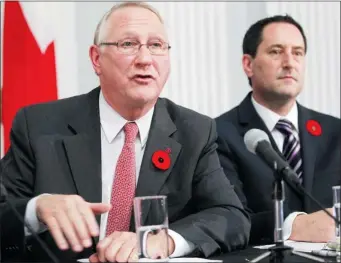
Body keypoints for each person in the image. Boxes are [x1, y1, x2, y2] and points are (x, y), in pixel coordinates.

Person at [0, 2, 250, 262]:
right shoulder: (40, 125)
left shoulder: (195, 132)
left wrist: (161, 240)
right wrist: (36, 209)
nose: (145, 59)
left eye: (156, 45)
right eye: (128, 44)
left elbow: (231, 216)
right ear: (97, 59)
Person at [215, 14, 340, 245]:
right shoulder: (217, 134)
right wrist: (295, 225)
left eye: (298, 53)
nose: (289, 62)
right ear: (248, 64)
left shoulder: (336, 131)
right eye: (276, 51)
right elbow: (226, 219)